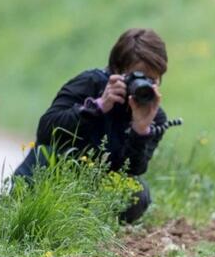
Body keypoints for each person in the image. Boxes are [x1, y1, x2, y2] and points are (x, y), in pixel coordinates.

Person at [14, 28, 168, 223]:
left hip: (94, 190)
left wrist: (140, 129)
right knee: (47, 157)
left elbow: (132, 170)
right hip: (52, 179)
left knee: (138, 192)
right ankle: (38, 214)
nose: (142, 85)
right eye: (136, 77)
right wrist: (97, 107)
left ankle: (95, 229)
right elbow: (45, 131)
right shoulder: (91, 83)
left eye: (151, 80)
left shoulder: (154, 116)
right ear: (118, 71)